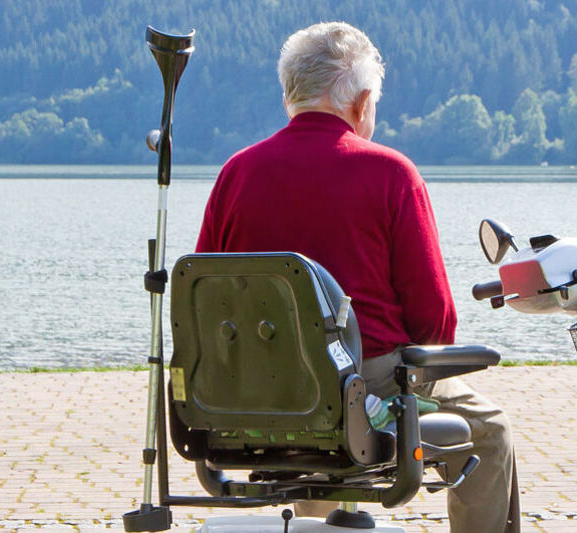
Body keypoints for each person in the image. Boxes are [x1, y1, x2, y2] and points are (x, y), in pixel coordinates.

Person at [193, 22, 518, 533]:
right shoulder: (390, 173)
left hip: (251, 396)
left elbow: (205, 305)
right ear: (363, 102)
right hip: (364, 386)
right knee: (490, 429)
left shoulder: (237, 172)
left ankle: (315, 518)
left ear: (289, 97)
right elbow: (435, 323)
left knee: (317, 406)